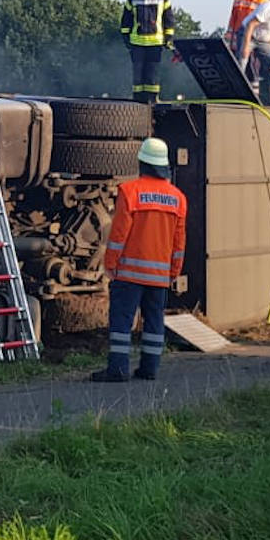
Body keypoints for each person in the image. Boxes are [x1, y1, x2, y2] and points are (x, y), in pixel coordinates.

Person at [92, 137, 187, 382]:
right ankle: (150, 369)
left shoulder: (130, 191)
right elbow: (179, 241)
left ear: (142, 162)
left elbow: (119, 233)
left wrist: (110, 263)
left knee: (122, 321)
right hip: (159, 276)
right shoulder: (178, 198)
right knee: (154, 322)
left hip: (130, 273)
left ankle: (118, 369)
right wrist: (174, 270)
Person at [120, 0, 175, 104]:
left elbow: (169, 18)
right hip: (137, 42)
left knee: (152, 73)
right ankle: (138, 101)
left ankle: (152, 99)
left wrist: (168, 37)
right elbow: (126, 18)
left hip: (156, 42)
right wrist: (125, 36)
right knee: (138, 75)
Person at [225, 0, 268, 64]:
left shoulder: (263, 1)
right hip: (238, 38)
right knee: (238, 62)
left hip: (255, 38)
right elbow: (233, 19)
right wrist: (229, 34)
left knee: (253, 65)